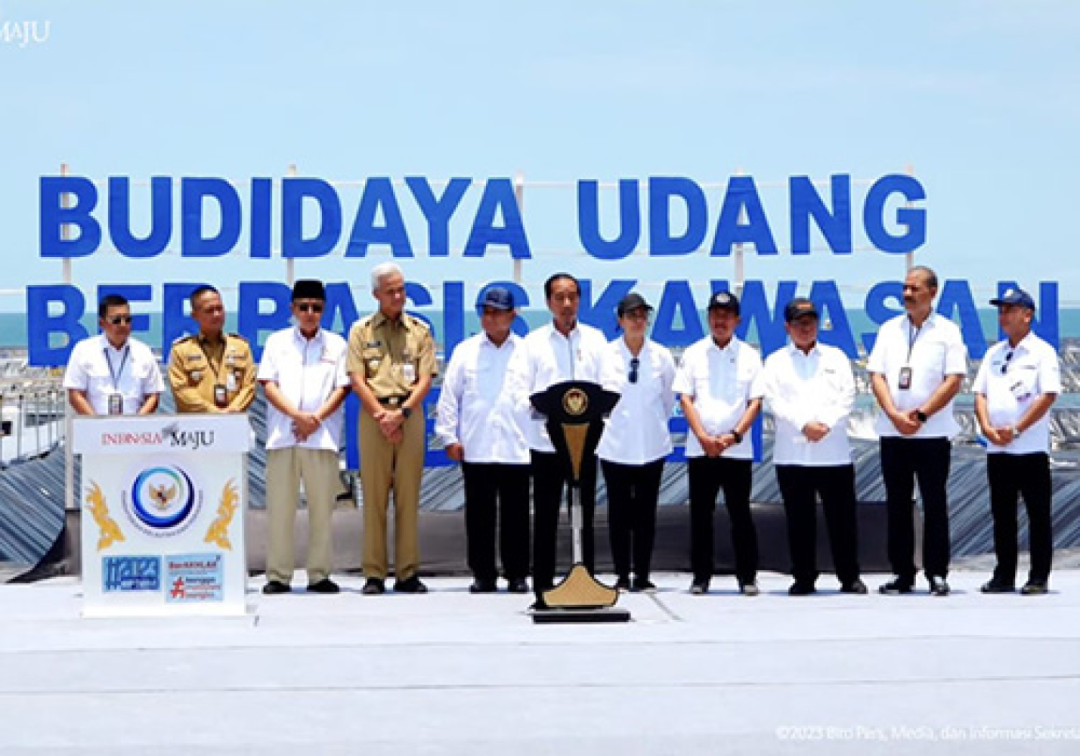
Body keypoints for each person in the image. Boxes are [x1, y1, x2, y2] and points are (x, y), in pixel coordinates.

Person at [505, 272, 608, 606]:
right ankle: (544, 589)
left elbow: (608, 389)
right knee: (547, 518)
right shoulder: (532, 344)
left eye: (573, 297)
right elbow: (520, 394)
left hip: (585, 444)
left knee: (585, 515)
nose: (567, 304)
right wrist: (542, 421)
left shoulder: (596, 340)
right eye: (560, 297)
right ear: (548, 302)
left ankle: (587, 583)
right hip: (547, 445)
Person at [867, 265, 967, 597]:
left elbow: (953, 380)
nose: (907, 294)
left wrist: (921, 414)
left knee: (934, 503)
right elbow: (876, 376)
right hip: (894, 432)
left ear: (932, 293)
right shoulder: (888, 329)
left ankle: (937, 572)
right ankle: (902, 573)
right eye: (905, 288)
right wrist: (895, 414)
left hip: (932, 435)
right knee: (897, 504)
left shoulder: (948, 332)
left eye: (915, 289)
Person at [756, 297, 866, 596]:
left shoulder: (836, 358)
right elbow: (775, 401)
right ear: (787, 327)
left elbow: (848, 396)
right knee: (799, 520)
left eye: (811, 322)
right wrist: (805, 423)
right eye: (799, 323)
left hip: (833, 452)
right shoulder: (776, 361)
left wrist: (826, 423)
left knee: (842, 520)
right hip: (793, 453)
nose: (806, 328)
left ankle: (849, 576)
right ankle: (803, 576)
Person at [347, 262, 437, 595]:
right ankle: (374, 573)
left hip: (410, 414)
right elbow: (357, 379)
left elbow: (426, 378)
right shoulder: (361, 331)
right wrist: (383, 416)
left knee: (408, 496)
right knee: (373, 496)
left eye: (401, 289)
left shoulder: (420, 330)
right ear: (376, 295)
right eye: (391, 291)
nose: (398, 296)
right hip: (373, 416)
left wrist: (401, 414)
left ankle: (407, 572)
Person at [257, 280, 350, 595]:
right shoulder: (277, 342)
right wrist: (298, 417)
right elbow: (268, 384)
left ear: (324, 309)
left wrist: (316, 419)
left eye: (316, 308)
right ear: (292, 309)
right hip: (284, 435)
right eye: (303, 307)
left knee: (322, 509)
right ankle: (278, 575)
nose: (310, 313)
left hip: (321, 437)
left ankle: (319, 573)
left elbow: (343, 387)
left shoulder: (337, 344)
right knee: (280, 508)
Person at [435, 287, 530, 594]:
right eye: (485, 311)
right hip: (477, 445)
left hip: (517, 446)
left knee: (517, 515)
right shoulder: (465, 351)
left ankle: (517, 573)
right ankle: (483, 574)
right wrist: (449, 435)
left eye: (497, 312)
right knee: (479, 516)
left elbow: (538, 398)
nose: (490, 318)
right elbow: (450, 396)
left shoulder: (527, 352)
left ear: (512, 315)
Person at [673, 290, 763, 596]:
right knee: (701, 516)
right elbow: (685, 398)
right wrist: (703, 437)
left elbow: (755, 402)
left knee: (741, 515)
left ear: (737, 320)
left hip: (737, 449)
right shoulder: (694, 353)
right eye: (715, 315)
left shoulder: (750, 356)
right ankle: (701, 577)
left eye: (726, 315)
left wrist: (734, 436)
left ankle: (747, 577)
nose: (720, 320)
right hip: (701, 449)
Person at [974, 288, 1060, 596]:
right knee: (1002, 515)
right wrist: (986, 426)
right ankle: (1004, 574)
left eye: (1010, 309)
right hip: (998, 448)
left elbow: (1047, 395)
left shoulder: (1042, 352)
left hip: (1030, 448)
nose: (1003, 315)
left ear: (1027, 314)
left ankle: (1038, 576)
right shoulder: (994, 353)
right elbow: (980, 393)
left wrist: (1018, 429)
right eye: (1001, 310)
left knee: (1037, 515)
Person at [597, 292, 676, 593]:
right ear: (620, 320)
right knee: (618, 515)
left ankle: (642, 573)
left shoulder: (661, 356)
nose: (638, 321)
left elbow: (667, 400)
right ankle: (620, 574)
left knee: (645, 515)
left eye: (643, 315)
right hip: (615, 445)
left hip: (651, 445)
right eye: (632, 316)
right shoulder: (605, 355)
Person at [64, 294, 163, 416]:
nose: (123, 324)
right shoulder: (84, 350)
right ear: (102, 323)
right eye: (116, 320)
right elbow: (75, 394)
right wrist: (98, 424)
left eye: (127, 319)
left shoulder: (143, 352)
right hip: (94, 428)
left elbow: (153, 395)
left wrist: (136, 422)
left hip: (135, 431)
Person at [168, 285, 256, 414]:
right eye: (209, 310)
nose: (216, 314)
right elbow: (181, 390)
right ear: (195, 315)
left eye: (219, 308)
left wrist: (233, 410)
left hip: (234, 421)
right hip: (196, 426)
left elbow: (249, 386)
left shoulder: (241, 347)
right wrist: (214, 412)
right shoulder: (181, 350)